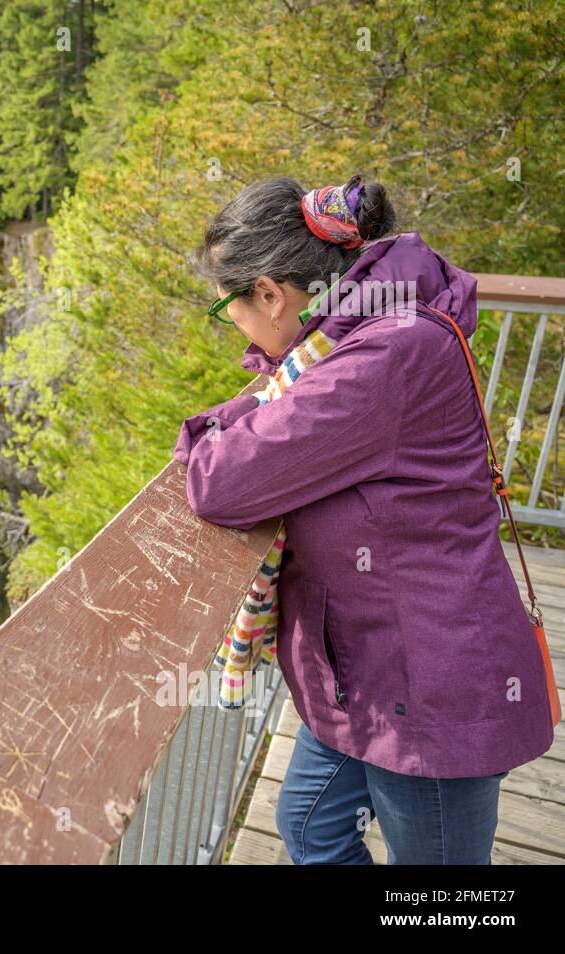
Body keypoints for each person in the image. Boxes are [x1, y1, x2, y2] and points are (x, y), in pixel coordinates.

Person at [172, 175, 556, 864]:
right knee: (310, 831)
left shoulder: (379, 359)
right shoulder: (349, 337)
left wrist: (211, 433)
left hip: (431, 682)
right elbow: (271, 408)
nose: (231, 324)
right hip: (363, 667)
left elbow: (220, 482)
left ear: (269, 292)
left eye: (226, 306)